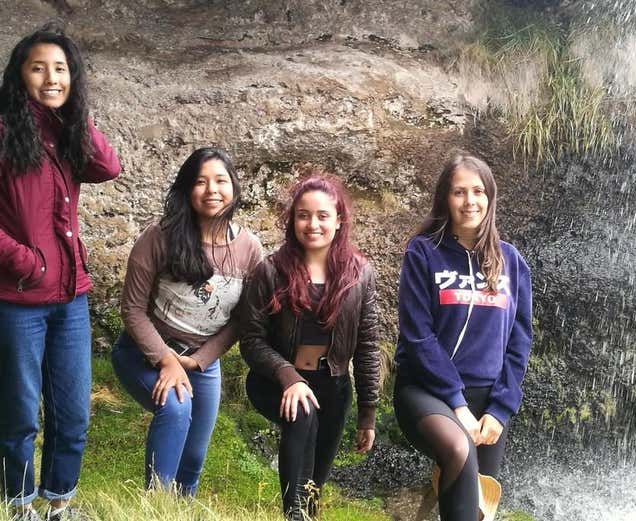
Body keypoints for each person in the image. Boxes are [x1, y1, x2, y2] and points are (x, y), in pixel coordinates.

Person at [0, 23, 121, 521]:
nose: (51, 78)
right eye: (38, 68)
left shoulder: (66, 130)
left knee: (73, 411)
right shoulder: (5, 132)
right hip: (18, 298)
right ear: (18, 76)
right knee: (21, 413)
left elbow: (107, 167)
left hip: (71, 296)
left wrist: (76, 115)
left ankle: (59, 502)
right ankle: (20, 502)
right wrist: (24, 261)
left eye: (61, 69)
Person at [111, 147, 262, 496]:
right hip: (144, 353)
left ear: (234, 188)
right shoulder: (158, 237)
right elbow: (132, 309)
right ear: (186, 189)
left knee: (193, 457)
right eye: (201, 182)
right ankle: (156, 507)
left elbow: (242, 319)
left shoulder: (249, 248)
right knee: (177, 409)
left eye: (221, 181)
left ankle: (181, 508)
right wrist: (166, 360)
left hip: (202, 361)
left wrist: (198, 360)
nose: (212, 190)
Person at [393, 153, 532, 521]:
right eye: (459, 192)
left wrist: (500, 410)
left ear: (490, 197)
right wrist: (457, 404)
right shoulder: (423, 252)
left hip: (487, 399)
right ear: (445, 199)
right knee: (458, 449)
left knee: (478, 505)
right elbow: (417, 336)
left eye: (478, 191)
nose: (470, 201)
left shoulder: (511, 261)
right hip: (426, 391)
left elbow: (519, 343)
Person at [240, 172, 380, 520]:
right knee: (302, 416)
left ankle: (306, 513)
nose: (312, 224)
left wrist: (368, 413)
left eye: (322, 215)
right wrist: (288, 377)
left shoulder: (360, 274)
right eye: (303, 215)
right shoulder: (270, 271)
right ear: (292, 220)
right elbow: (251, 340)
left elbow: (367, 346)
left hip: (332, 385)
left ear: (339, 220)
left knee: (315, 480)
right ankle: (293, 516)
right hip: (275, 381)